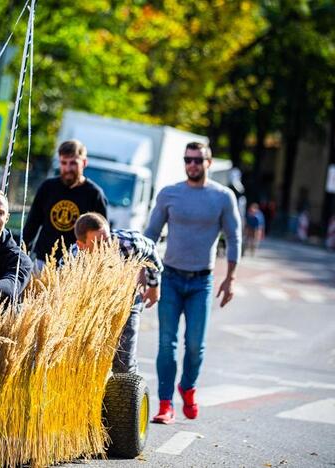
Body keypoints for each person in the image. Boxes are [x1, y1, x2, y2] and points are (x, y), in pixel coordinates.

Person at [144, 141, 241, 425]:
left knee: (196, 345)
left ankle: (187, 387)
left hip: (202, 282)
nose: (193, 165)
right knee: (166, 343)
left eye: (198, 160)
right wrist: (145, 272)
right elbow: (150, 234)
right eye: (188, 159)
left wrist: (231, 278)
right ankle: (165, 404)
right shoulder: (170, 194)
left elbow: (234, 237)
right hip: (170, 277)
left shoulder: (223, 197)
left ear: (209, 163)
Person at [72, 212, 163, 374]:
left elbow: (152, 251)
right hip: (94, 303)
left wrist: (154, 285)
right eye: (99, 243)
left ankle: (130, 389)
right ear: (81, 245)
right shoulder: (73, 259)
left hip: (128, 297)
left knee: (123, 360)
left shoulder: (128, 243)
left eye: (107, 239)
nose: (107, 246)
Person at [22, 139, 108, 271]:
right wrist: (22, 253)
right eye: (64, 163)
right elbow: (32, 224)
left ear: (84, 163)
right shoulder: (48, 187)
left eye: (73, 163)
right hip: (43, 260)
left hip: (76, 265)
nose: (68, 168)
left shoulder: (95, 194)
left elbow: (102, 235)